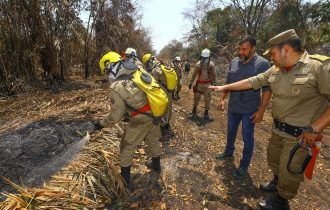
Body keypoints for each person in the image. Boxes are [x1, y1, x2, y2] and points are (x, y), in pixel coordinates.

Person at [209, 29, 330, 210]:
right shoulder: (276, 69)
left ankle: (281, 200)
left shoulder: (319, 67)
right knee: (275, 161)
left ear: (286, 49)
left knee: (289, 169)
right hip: (279, 129)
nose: (271, 57)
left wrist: (316, 128)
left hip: (301, 134)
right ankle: (276, 184)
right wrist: (224, 87)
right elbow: (252, 81)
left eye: (273, 53)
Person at [95, 51, 162, 188]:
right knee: (152, 139)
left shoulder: (117, 86)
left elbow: (116, 115)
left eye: (107, 71)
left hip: (141, 118)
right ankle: (157, 166)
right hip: (155, 111)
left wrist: (100, 124)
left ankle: (125, 181)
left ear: (111, 66)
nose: (108, 74)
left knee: (126, 147)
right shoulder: (138, 70)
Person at [215, 35, 272, 179]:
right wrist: (222, 99)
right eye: (239, 49)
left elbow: (267, 90)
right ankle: (228, 152)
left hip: (250, 109)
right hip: (233, 107)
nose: (241, 52)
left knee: (247, 137)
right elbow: (228, 82)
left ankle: (244, 165)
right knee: (231, 131)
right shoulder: (234, 62)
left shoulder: (263, 64)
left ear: (253, 48)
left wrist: (261, 111)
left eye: (244, 49)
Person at [141, 53, 174, 141]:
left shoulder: (155, 71)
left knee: (162, 111)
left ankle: (164, 133)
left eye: (147, 64)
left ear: (150, 62)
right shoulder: (164, 66)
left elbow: (151, 85)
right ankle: (168, 127)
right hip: (169, 92)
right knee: (168, 110)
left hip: (163, 93)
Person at [188, 48, 216, 120]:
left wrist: (214, 85)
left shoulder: (211, 65)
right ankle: (194, 111)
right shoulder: (198, 64)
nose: (204, 59)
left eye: (206, 58)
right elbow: (194, 75)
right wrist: (191, 83)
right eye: (203, 58)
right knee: (196, 98)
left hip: (208, 86)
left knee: (207, 99)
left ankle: (206, 113)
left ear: (208, 57)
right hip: (199, 85)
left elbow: (214, 75)